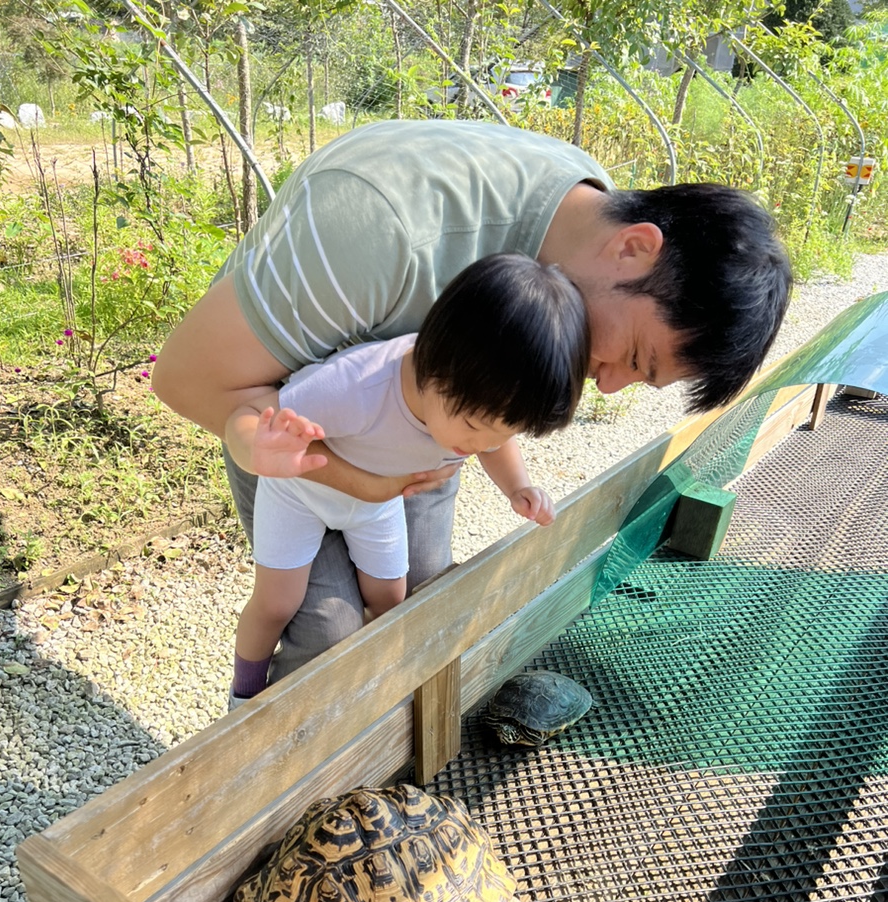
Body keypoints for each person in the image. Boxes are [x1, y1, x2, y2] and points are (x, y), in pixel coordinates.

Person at [152, 119, 792, 685]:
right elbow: (192, 383)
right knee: (327, 635)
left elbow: (474, 427)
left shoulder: (585, 223)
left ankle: (399, 746)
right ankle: (283, 790)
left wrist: (446, 474)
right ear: (633, 248)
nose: (608, 385)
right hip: (294, 430)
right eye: (635, 358)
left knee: (426, 594)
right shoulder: (384, 231)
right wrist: (364, 483)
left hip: (428, 429)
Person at [227, 253, 588, 706]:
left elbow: (495, 442)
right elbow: (253, 419)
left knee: (391, 596)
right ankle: (242, 697)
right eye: (475, 426)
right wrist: (268, 439)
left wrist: (518, 486)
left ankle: (375, 688)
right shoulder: (354, 387)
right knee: (277, 604)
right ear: (437, 368)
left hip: (378, 501)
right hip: (300, 494)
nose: (480, 446)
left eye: (505, 430)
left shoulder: (477, 404)